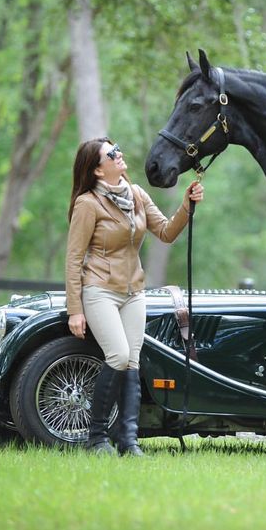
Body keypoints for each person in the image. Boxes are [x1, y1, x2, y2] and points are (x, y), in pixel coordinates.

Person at [65, 137, 204, 455]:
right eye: (111, 154)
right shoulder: (87, 204)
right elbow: (74, 259)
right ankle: (96, 438)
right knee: (118, 355)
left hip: (133, 292)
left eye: (117, 149)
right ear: (98, 171)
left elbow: (167, 232)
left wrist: (187, 203)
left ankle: (128, 440)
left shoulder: (137, 195)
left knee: (132, 362)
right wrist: (76, 308)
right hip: (100, 290)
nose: (119, 154)